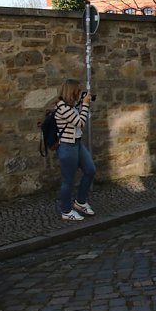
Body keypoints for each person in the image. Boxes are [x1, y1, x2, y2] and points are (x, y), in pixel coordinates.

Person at [54, 79, 96, 221]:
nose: (79, 93)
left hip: (77, 144)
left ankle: (80, 202)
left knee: (90, 170)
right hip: (67, 146)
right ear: (72, 91)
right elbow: (80, 122)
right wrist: (85, 104)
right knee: (68, 181)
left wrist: (81, 104)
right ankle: (66, 211)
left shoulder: (71, 105)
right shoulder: (61, 107)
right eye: (78, 91)